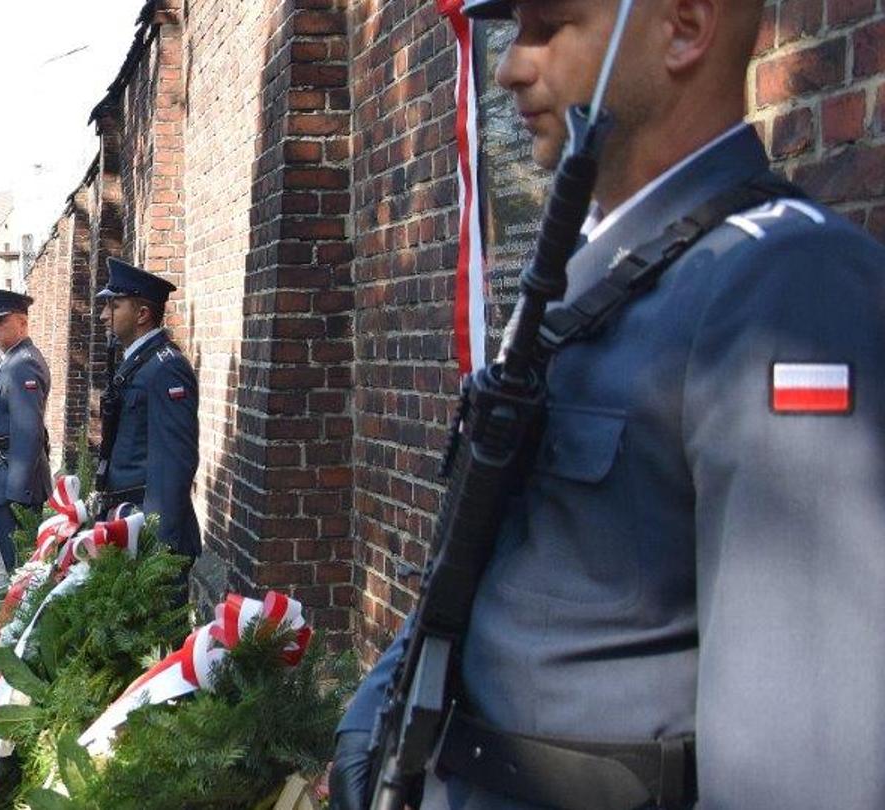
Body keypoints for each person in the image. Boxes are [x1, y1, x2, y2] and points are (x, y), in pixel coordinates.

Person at [330, 0, 885, 805]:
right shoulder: (587, 271)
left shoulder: (784, 288)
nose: (512, 65)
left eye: (550, 27)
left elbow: (801, 767)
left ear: (685, 27)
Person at [94, 258, 199, 559]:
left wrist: (157, 546)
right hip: (129, 520)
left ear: (142, 314)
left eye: (114, 306)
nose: (103, 316)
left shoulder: (167, 368)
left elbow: (174, 462)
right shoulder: (140, 361)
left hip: (149, 533)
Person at [0, 290, 51, 573]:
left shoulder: (23, 364)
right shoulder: (9, 360)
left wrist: (16, 493)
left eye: (1, 320)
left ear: (22, 322)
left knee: (23, 573)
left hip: (13, 487)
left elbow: (29, 433)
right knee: (16, 569)